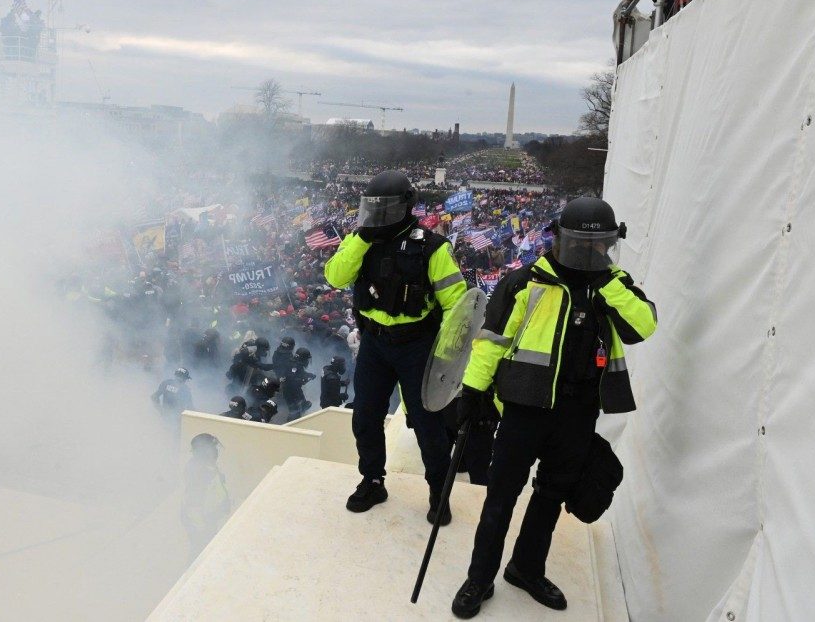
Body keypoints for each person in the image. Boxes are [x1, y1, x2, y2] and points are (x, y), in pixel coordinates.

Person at [451, 197, 657, 619]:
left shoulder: (614, 286)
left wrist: (609, 285)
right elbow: (490, 343)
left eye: (597, 244)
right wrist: (471, 393)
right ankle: (479, 577)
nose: (587, 251)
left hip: (579, 412)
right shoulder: (524, 282)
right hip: (525, 410)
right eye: (578, 242)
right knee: (501, 496)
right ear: (558, 238)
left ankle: (525, 569)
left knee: (550, 495)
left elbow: (644, 326)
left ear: (610, 244)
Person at [324, 170, 468, 525]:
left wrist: (444, 353)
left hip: (417, 347)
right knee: (365, 416)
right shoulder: (361, 240)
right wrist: (361, 238)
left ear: (406, 206)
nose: (379, 214)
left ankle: (438, 491)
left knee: (427, 424)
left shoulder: (432, 247)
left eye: (385, 208)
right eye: (373, 208)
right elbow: (335, 276)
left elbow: (457, 303)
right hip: (375, 344)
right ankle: (373, 480)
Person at [180, 433, 230, 557]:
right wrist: (203, 530)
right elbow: (193, 505)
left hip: (209, 519)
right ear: (206, 452)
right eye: (214, 449)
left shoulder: (208, 466)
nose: (216, 451)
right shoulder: (200, 472)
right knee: (200, 555)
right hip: (202, 524)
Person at [280, 347, 316, 421]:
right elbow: (292, 379)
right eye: (307, 359)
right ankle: (291, 424)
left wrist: (309, 375)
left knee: (304, 404)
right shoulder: (294, 366)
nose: (307, 361)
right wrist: (303, 380)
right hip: (290, 392)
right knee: (294, 412)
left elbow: (301, 373)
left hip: (296, 390)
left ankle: (302, 408)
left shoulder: (296, 364)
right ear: (303, 359)